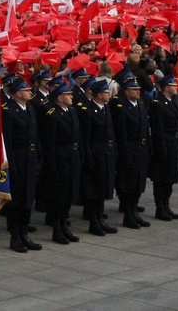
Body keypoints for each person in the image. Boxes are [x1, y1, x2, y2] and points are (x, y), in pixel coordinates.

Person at [2, 77, 43, 253]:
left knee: (28, 199)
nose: (30, 92)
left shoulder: (30, 109)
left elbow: (36, 133)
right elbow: (7, 140)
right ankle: (15, 236)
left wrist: (39, 155)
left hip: (31, 157)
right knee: (16, 200)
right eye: (26, 90)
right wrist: (11, 163)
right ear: (18, 93)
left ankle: (25, 234)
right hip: (18, 158)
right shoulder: (9, 111)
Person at [40, 83, 82, 244]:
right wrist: (52, 165)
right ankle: (57, 229)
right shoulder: (53, 115)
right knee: (59, 195)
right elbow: (49, 143)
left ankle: (65, 225)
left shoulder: (71, 111)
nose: (72, 97)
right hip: (60, 158)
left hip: (72, 157)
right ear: (60, 97)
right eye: (68, 95)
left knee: (70, 193)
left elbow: (78, 137)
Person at [111, 78, 152, 229]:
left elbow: (145, 128)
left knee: (139, 184)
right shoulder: (122, 107)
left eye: (138, 89)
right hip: (130, 148)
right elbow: (121, 134)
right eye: (134, 89)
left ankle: (134, 211)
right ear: (127, 91)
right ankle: (128, 214)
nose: (138, 91)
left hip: (141, 149)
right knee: (128, 184)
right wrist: (125, 155)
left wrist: (149, 148)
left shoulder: (140, 103)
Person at [79, 80, 119, 236]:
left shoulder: (106, 109)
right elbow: (86, 137)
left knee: (103, 188)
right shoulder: (89, 111)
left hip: (107, 153)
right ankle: (93, 222)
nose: (109, 94)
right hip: (96, 154)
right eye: (106, 92)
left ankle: (100, 219)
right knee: (94, 189)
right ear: (99, 95)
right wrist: (89, 158)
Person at [149, 75, 178, 221]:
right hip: (164, 144)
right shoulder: (158, 104)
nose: (176, 87)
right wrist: (161, 148)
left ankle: (166, 205)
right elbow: (158, 129)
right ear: (166, 87)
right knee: (161, 179)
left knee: (170, 177)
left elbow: (177, 124)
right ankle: (160, 207)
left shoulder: (171, 102)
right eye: (173, 85)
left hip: (174, 144)